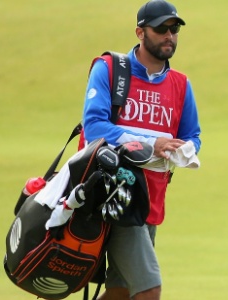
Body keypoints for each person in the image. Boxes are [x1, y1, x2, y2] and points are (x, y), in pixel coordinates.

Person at [81, 1, 201, 299]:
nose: (169, 36)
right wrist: (153, 142)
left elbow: (192, 135)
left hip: (151, 200)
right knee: (149, 288)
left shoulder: (181, 85)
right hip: (114, 195)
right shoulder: (108, 68)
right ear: (140, 32)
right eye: (161, 29)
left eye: (174, 29)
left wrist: (184, 150)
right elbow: (94, 127)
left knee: (120, 291)